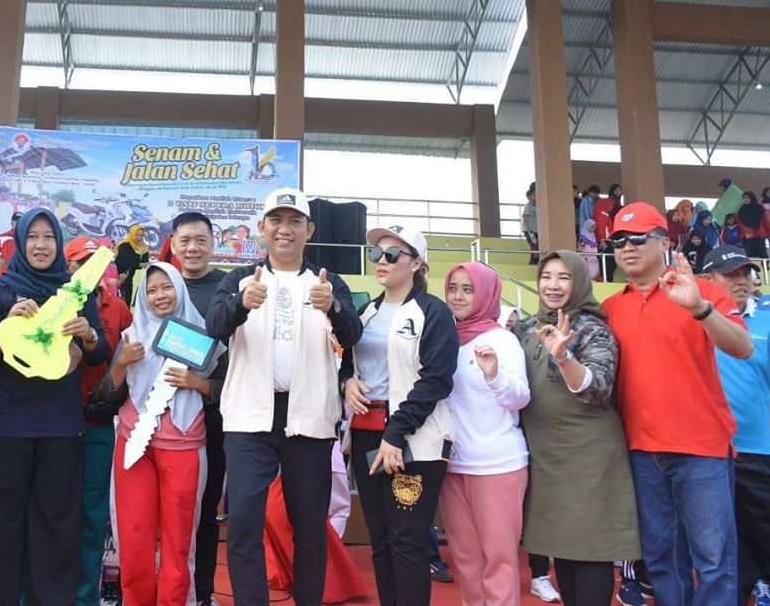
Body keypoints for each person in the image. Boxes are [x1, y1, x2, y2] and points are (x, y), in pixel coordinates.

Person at [206, 187, 362, 606]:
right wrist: (240, 304)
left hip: (309, 417)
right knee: (242, 522)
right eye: (276, 220)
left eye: (295, 221)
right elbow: (214, 325)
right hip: (248, 419)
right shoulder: (240, 280)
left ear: (309, 230)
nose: (285, 229)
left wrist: (334, 308)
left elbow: (353, 335)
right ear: (262, 227)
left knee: (310, 526)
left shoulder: (329, 283)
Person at [603, 201, 753, 605]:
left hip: (701, 450)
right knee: (663, 560)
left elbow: (742, 347)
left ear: (665, 243)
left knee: (714, 561)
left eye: (638, 238)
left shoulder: (703, 293)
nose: (627, 247)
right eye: (618, 240)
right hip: (640, 452)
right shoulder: (610, 308)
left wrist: (700, 309)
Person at [0, 208, 108, 605]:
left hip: (60, 427)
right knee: (0, 528)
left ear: (59, 245)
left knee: (57, 528)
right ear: (21, 242)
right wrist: (3, 331)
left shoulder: (76, 292)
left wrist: (89, 336)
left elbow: (100, 355)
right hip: (4, 427)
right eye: (33, 237)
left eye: (49, 237)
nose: (41, 245)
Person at [512, 251, 641, 605]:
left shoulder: (593, 330)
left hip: (589, 456)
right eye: (546, 276)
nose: (552, 285)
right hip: (544, 456)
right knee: (563, 550)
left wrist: (564, 357)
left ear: (580, 282)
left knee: (590, 549)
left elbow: (598, 387)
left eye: (564, 277)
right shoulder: (524, 328)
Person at [339, 226, 459, 606]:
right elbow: (346, 362)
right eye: (377, 254)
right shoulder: (366, 312)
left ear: (417, 263)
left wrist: (396, 433)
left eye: (392, 255)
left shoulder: (434, 312)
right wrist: (347, 382)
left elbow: (436, 379)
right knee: (380, 538)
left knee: (407, 540)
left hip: (413, 440)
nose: (382, 261)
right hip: (366, 432)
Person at [99, 262, 218, 606]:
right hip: (134, 443)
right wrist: (122, 362)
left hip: (184, 444)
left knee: (179, 539)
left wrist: (197, 383)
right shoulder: (131, 334)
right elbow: (106, 392)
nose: (160, 296)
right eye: (151, 290)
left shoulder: (201, 333)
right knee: (132, 535)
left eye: (167, 287)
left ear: (179, 288)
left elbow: (227, 385)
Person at [438, 261, 530, 606]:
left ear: (486, 294)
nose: (458, 297)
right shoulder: (443, 338)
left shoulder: (502, 340)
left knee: (499, 559)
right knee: (465, 560)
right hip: (453, 465)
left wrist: (494, 376)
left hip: (496, 465)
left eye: (468, 289)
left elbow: (520, 397)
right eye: (453, 288)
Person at [697, 246, 770, 606]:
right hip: (706, 449)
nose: (741, 281)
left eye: (746, 273)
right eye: (731, 275)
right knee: (719, 534)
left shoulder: (768, 319)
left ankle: (760, 582)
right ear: (707, 279)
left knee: (762, 526)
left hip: (757, 446)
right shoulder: (691, 318)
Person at [64, 235, 132, 606]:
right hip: (55, 426)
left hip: (98, 425)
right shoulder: (53, 302)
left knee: (93, 516)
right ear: (69, 267)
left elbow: (132, 361)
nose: (89, 270)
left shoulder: (119, 309)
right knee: (51, 513)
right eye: (81, 263)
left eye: (96, 263)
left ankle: (86, 598)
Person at [168, 212, 229, 606]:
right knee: (165, 513)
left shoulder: (228, 288)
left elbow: (238, 364)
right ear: (173, 244)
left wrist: (204, 386)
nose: (193, 248)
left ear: (213, 243)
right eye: (185, 240)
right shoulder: (159, 284)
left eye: (201, 240)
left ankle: (202, 594)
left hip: (212, 418)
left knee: (205, 510)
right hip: (161, 420)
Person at [115, 224, 150, 307]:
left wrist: (143, 263)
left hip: (129, 279)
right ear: (132, 234)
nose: (139, 238)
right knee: (118, 303)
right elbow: (125, 263)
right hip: (118, 277)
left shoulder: (143, 247)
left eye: (141, 236)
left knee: (127, 302)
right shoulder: (124, 246)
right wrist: (139, 264)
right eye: (137, 235)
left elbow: (145, 262)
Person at [738, 191, 770, 259]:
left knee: (762, 253)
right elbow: (740, 223)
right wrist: (745, 230)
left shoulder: (759, 208)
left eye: (747, 198)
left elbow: (766, 221)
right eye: (744, 198)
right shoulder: (741, 210)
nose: (745, 200)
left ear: (752, 198)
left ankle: (764, 265)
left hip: (759, 235)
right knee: (749, 254)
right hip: (747, 236)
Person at [521, 189, 539, 265]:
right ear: (529, 197)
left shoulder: (538, 206)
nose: (536, 196)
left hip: (535, 230)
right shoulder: (528, 206)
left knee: (536, 244)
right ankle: (534, 260)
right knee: (533, 243)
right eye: (534, 194)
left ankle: (535, 258)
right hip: (529, 230)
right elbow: (525, 217)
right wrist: (528, 229)